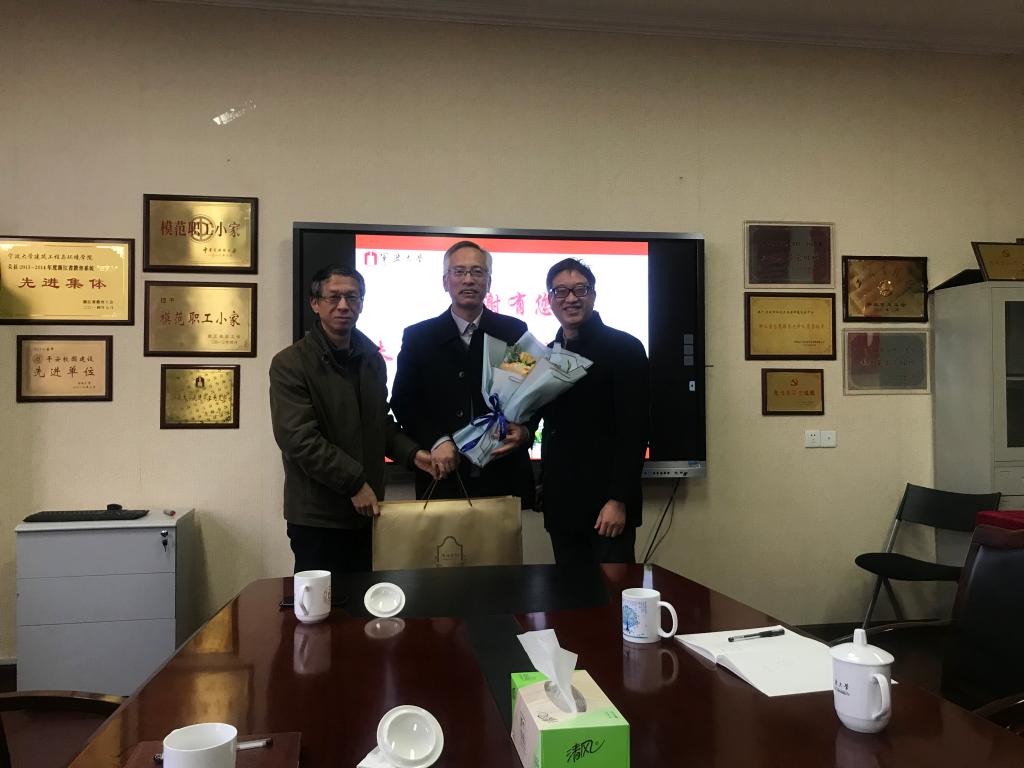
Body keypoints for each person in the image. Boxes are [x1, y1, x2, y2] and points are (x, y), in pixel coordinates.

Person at [270, 264, 435, 574]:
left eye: (352, 297)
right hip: (318, 517)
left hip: (367, 511)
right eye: (333, 297)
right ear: (315, 303)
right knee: (320, 601)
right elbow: (298, 439)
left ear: (361, 303)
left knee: (366, 597)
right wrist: (354, 483)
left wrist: (414, 454)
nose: (344, 306)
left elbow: (379, 423)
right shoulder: (290, 363)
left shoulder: (372, 359)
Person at [523, 258, 650, 566]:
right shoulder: (546, 353)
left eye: (580, 289)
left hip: (607, 508)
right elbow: (534, 417)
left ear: (593, 295)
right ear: (549, 299)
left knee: (613, 592)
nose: (571, 298)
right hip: (561, 504)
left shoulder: (625, 348)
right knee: (569, 592)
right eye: (561, 291)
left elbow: (635, 431)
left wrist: (618, 500)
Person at [390, 240, 535, 503]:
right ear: (445, 282)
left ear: (489, 282)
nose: (469, 279)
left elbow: (531, 393)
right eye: (459, 272)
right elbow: (404, 401)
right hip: (444, 474)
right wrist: (436, 440)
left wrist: (525, 431)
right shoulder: (419, 337)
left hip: (502, 474)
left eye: (477, 272)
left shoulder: (513, 331)